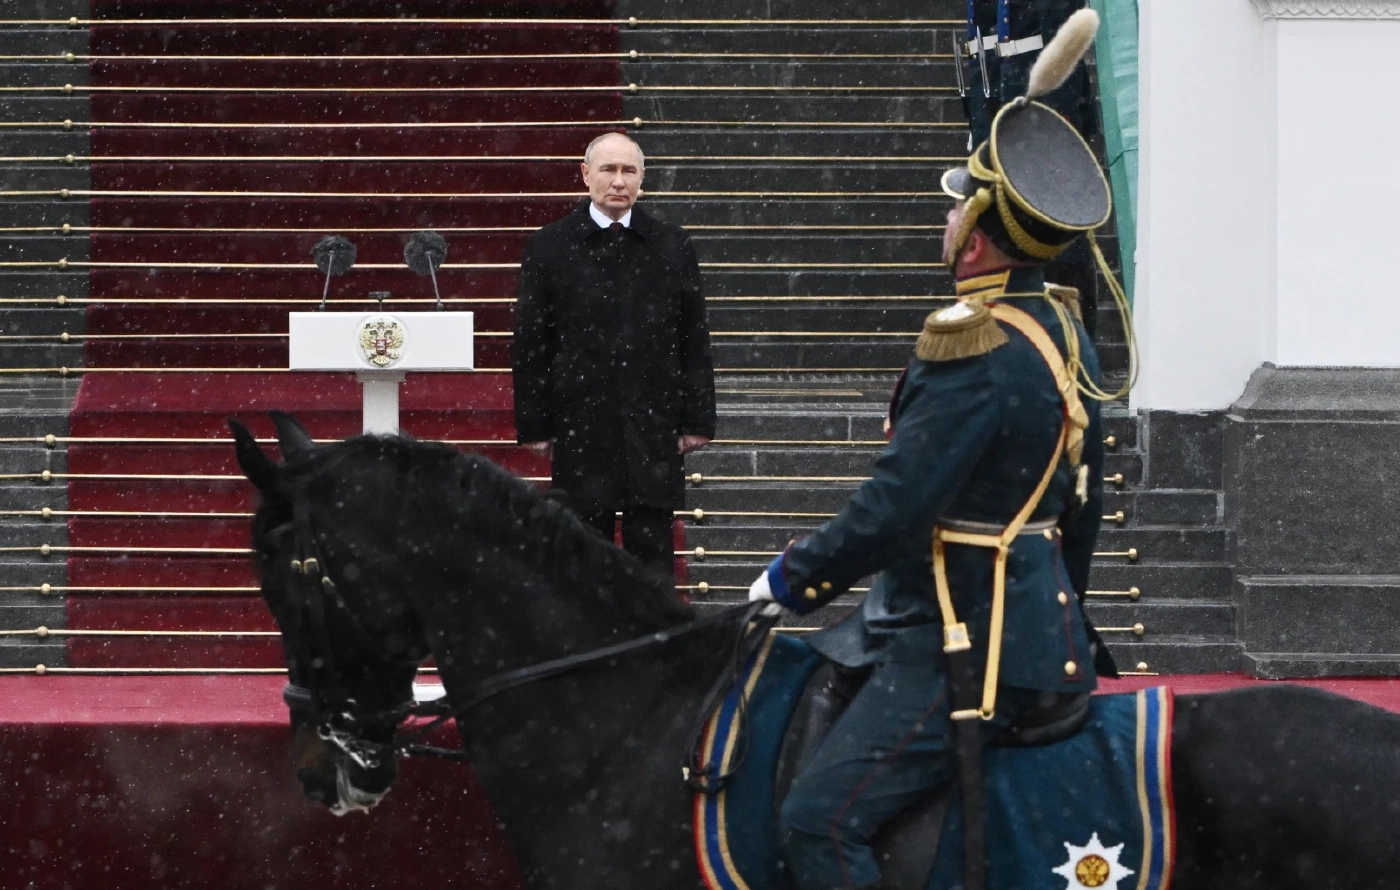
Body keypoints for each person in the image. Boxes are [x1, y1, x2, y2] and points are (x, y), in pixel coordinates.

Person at [748, 12, 1120, 889]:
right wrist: (1053, 602)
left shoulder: (974, 343)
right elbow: (1087, 502)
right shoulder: (1059, 329)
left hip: (966, 638)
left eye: (958, 203)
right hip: (1033, 624)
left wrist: (792, 578)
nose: (947, 215)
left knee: (816, 823)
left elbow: (897, 508)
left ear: (980, 235)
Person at [512, 132, 716, 577]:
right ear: (585, 175)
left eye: (628, 171)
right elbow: (531, 343)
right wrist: (535, 423)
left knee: (653, 559)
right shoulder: (550, 247)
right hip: (581, 425)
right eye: (608, 169)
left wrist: (697, 419)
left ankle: (656, 646)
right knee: (584, 558)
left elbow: (692, 338)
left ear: (642, 178)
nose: (618, 181)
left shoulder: (671, 245)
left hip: (653, 424)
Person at [959, 0, 1102, 339]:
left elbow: (1061, 41)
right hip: (1001, 89)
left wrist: (1052, 116)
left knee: (1061, 232)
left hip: (1044, 101)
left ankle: (1074, 335)